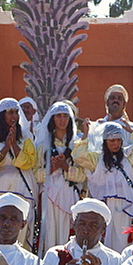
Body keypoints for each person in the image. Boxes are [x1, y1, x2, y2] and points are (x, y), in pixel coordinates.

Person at [77, 123, 133, 252]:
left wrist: (131, 131)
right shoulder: (96, 159)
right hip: (105, 206)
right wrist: (85, 135)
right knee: (105, 237)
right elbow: (79, 156)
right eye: (112, 140)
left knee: (123, 238)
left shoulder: (129, 156)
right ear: (105, 141)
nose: (116, 144)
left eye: (119, 140)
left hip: (125, 207)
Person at [35, 100, 85, 251]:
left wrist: (65, 167)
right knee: (49, 231)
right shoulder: (42, 145)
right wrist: (50, 170)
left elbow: (83, 176)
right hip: (49, 194)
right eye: (58, 116)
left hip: (69, 194)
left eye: (65, 116)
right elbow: (35, 174)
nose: (62, 120)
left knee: (67, 234)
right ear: (52, 119)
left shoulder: (77, 144)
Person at [0, 98, 38, 226]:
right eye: (10, 112)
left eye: (16, 112)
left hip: (21, 187)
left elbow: (29, 162)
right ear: (2, 115)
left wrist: (14, 145)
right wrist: (6, 147)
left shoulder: (26, 136)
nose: (14, 116)